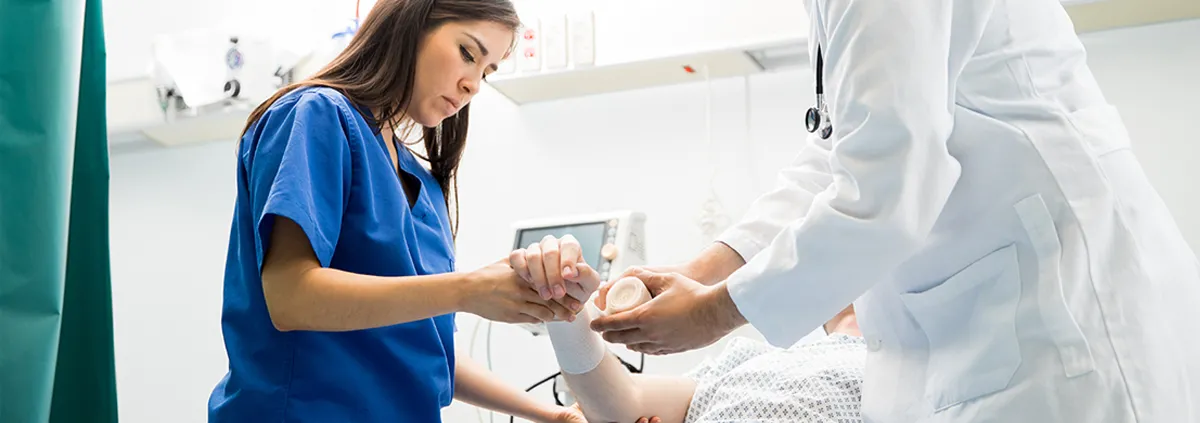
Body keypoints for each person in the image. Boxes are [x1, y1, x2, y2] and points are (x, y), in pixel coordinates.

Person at [517, 0, 1200, 420]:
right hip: (967, 348)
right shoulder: (739, 372)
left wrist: (716, 309)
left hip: (1059, 330)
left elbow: (887, 180)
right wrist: (703, 275)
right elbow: (840, 156)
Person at [207, 1, 589, 422]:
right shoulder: (317, 115)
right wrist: (468, 290)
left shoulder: (420, 181)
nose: (474, 85)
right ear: (411, 24)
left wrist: (553, 415)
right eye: (468, 53)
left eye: (487, 71)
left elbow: (421, 349)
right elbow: (291, 297)